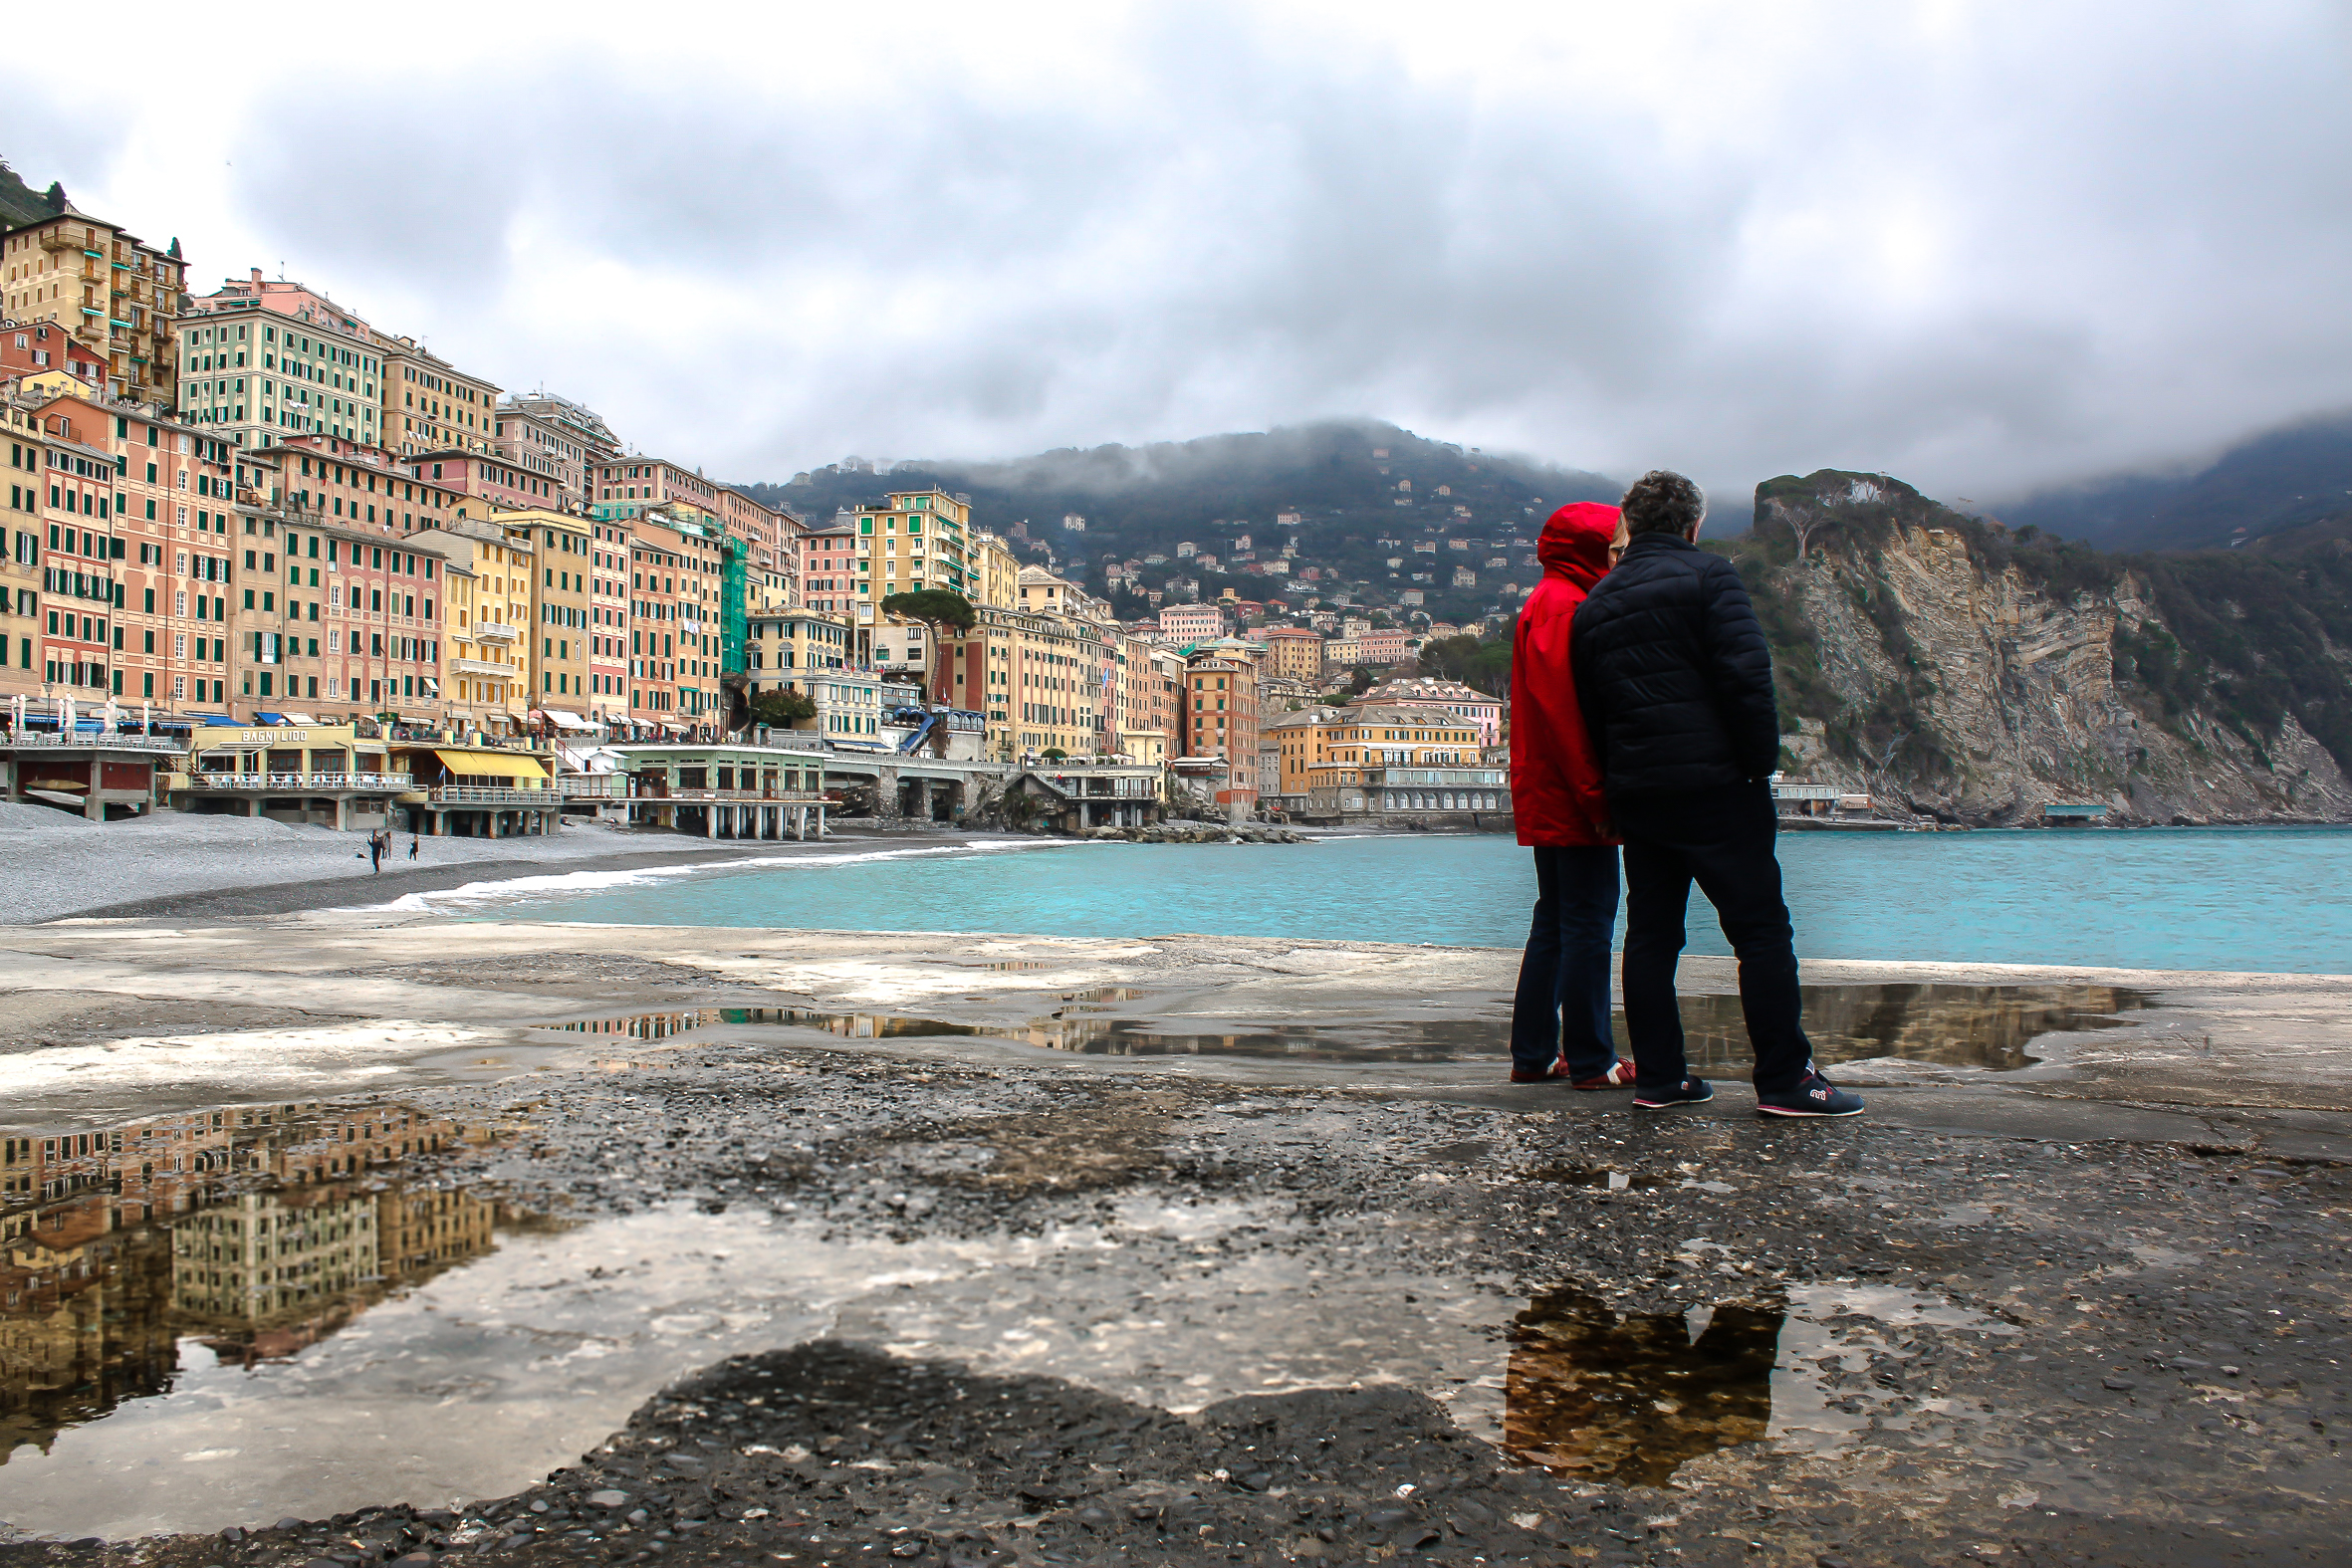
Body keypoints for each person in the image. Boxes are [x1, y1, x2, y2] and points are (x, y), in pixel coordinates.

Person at [1570, 470, 1863, 1117]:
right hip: (1716, 785)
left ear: (1632, 526)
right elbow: (1748, 678)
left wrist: (1618, 785)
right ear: (1693, 525)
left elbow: (1592, 714)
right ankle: (1786, 1079)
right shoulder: (1711, 577)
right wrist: (1756, 766)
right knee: (1760, 932)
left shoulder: (1594, 607)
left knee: (1651, 935)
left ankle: (1661, 1079)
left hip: (1640, 793)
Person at [1506, 501, 1635, 1087]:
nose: (1620, 556)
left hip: (1547, 788)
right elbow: (1567, 715)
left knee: (1556, 921)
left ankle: (1533, 1053)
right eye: (1613, 546)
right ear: (1588, 549)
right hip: (1570, 792)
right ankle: (1592, 1059)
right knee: (1588, 922)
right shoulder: (1567, 606)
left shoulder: (1548, 600)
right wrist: (1598, 797)